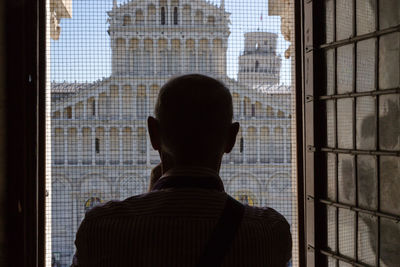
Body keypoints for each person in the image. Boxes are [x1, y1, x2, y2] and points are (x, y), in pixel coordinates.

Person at [72, 74, 292, 267]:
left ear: (153, 133)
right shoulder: (268, 231)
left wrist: (152, 197)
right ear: (232, 138)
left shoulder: (103, 227)